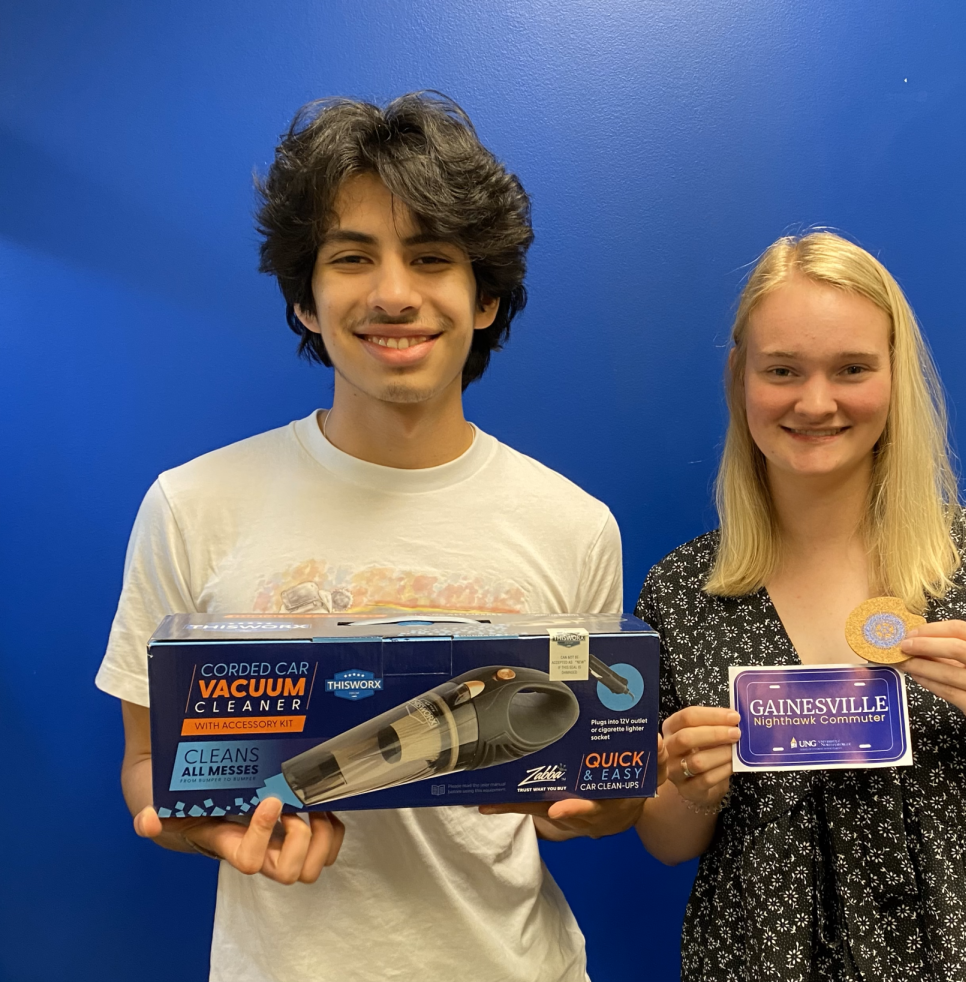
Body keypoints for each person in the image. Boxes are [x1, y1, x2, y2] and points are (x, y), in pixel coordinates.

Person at [96, 92, 645, 982]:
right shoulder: (192, 504)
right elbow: (151, 764)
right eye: (353, 257)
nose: (394, 294)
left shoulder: (573, 525)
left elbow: (584, 788)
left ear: (487, 300)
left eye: (431, 258)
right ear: (306, 300)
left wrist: (597, 807)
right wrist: (208, 828)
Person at [633, 231, 966, 982]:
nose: (816, 401)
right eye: (783, 370)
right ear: (740, 380)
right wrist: (691, 793)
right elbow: (665, 842)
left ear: (896, 379)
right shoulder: (682, 591)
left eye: (852, 369)